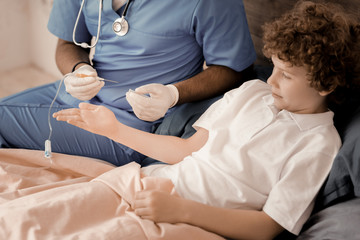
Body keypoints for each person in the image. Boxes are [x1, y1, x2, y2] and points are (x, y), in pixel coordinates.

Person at [51, 1, 360, 239]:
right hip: (153, 184)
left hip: (193, 220)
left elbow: (269, 227)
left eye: (287, 75)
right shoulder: (251, 92)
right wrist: (113, 130)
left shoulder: (319, 144)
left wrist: (181, 211)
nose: (272, 81)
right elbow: (186, 151)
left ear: (325, 84)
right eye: (275, 68)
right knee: (53, 214)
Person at [0, 0, 256, 166]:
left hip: (132, 127)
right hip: (74, 96)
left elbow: (234, 69)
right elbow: (66, 44)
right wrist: (77, 70)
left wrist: (173, 94)